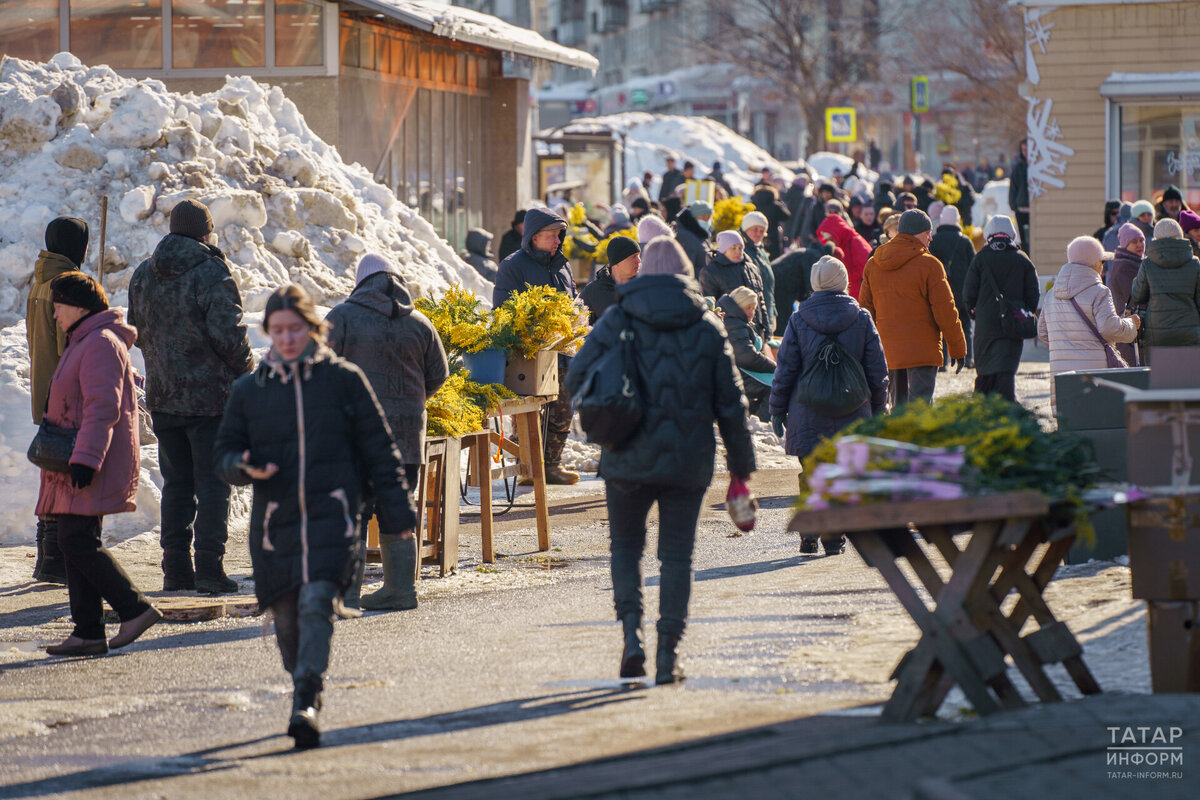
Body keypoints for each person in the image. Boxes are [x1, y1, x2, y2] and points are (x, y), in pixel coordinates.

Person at [215, 284, 416, 749]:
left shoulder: (344, 380)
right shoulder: (250, 390)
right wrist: (242, 466)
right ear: (268, 332)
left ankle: (306, 695)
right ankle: (301, 676)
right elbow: (223, 452)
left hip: (336, 516)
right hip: (276, 525)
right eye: (278, 330)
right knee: (286, 620)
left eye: (296, 329)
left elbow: (380, 450)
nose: (287, 339)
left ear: (313, 328)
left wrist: (397, 511)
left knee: (318, 603)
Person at [565, 236, 755, 685]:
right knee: (676, 558)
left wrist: (605, 410)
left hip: (626, 453)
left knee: (626, 550)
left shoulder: (618, 318)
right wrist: (741, 469)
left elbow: (575, 375)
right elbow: (731, 402)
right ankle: (668, 654)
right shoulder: (706, 326)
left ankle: (632, 640)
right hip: (687, 461)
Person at [128, 199, 254, 594]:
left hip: (164, 397)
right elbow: (229, 333)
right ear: (205, 232)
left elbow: (138, 328)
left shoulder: (143, 273)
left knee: (177, 485)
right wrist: (245, 369)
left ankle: (176, 571)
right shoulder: (211, 270)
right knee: (214, 485)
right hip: (210, 399)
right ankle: (210, 571)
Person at [38, 272, 161, 656]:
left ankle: (134, 609)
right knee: (75, 540)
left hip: (91, 459)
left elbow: (102, 407)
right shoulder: (85, 340)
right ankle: (88, 630)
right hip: (78, 457)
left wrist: (86, 460)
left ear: (78, 306)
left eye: (58, 306)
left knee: (75, 539)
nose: (55, 315)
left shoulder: (100, 343)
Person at [326, 254, 448, 611]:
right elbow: (438, 374)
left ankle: (346, 594)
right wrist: (409, 401)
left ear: (361, 282)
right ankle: (400, 590)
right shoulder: (421, 323)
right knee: (397, 509)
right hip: (407, 437)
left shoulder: (342, 318)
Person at [769, 255, 887, 554]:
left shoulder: (798, 319)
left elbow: (785, 369)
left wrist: (777, 408)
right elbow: (877, 370)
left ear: (815, 283)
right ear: (844, 281)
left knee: (812, 471)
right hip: (853, 410)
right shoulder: (861, 318)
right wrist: (879, 407)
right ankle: (833, 538)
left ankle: (809, 531)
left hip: (806, 410)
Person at [493, 207, 580, 485]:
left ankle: (552, 465)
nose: (558, 240)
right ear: (533, 237)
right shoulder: (512, 266)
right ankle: (527, 467)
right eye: (552, 235)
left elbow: (574, 298)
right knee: (529, 412)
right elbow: (503, 308)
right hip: (529, 353)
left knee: (562, 408)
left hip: (563, 352)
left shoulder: (563, 264)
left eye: (559, 235)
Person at [26, 216, 88, 585]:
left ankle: (48, 557)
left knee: (52, 474)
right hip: (68, 395)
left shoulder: (40, 283)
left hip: (45, 390)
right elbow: (75, 345)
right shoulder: (70, 286)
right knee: (68, 476)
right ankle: (60, 556)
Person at [860, 210, 967, 406]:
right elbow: (946, 312)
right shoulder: (930, 265)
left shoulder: (873, 265)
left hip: (889, 352)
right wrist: (958, 349)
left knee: (897, 410)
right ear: (916, 233)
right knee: (919, 412)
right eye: (928, 233)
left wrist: (866, 352)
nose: (930, 238)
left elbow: (865, 313)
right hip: (923, 353)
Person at [1038, 237, 1139, 413]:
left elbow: (1044, 334)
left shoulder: (1051, 295)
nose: (1102, 267)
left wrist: (1065, 346)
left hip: (1061, 377)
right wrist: (1131, 324)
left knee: (1070, 430)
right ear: (1093, 264)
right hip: (1094, 374)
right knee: (1097, 423)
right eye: (1101, 262)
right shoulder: (1099, 292)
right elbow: (1110, 328)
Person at [963, 216, 1040, 401]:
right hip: (1012, 323)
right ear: (1011, 234)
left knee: (986, 369)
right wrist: (1021, 310)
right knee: (1006, 368)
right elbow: (1033, 294)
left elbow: (968, 293)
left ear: (988, 234)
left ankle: (984, 408)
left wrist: (974, 313)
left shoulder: (980, 258)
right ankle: (1006, 407)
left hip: (985, 323)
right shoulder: (1022, 259)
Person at [1129, 218, 1200, 364]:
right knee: (1189, 380)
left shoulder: (1147, 264)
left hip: (1157, 332)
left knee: (1161, 381)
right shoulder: (1194, 263)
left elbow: (1138, 296)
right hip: (1189, 331)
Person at [716, 286, 776, 418]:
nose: (752, 312)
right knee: (776, 387)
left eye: (754, 308)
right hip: (739, 374)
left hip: (741, 371)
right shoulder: (734, 323)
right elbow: (746, 356)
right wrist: (775, 367)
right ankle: (762, 422)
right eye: (749, 307)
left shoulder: (736, 320)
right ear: (739, 305)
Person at [930, 206, 977, 369]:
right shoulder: (965, 242)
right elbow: (974, 268)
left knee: (941, 327)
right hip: (962, 292)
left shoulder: (934, 241)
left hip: (940, 291)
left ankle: (942, 362)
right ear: (957, 220)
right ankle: (968, 358)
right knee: (964, 326)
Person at [700, 230, 770, 338]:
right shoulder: (711, 271)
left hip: (757, 331)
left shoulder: (752, 268)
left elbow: (761, 299)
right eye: (733, 248)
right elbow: (710, 305)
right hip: (731, 332)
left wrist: (766, 328)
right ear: (723, 250)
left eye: (740, 248)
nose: (738, 251)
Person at [1105, 223, 1146, 366]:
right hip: (1131, 328)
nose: (1140, 244)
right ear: (1125, 245)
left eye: (1141, 240)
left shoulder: (1137, 262)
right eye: (1134, 242)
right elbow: (1135, 296)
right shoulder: (1124, 266)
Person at [769, 243, 830, 336]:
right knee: (782, 320)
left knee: (779, 318)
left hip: (776, 279)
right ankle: (779, 345)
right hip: (783, 285)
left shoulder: (807, 251)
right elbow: (811, 285)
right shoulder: (814, 257)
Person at [815, 207, 872, 300]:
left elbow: (866, 265)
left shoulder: (855, 241)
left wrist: (843, 275)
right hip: (848, 288)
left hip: (858, 290)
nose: (824, 237)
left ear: (835, 231)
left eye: (826, 233)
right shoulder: (841, 243)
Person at [581, 236, 640, 323]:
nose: (639, 261)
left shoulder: (643, 287)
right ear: (617, 262)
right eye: (633, 256)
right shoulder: (593, 291)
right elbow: (580, 328)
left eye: (639, 256)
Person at [740, 211, 777, 334]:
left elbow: (769, 286)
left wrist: (773, 313)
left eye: (762, 231)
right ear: (746, 229)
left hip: (767, 313)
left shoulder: (761, 252)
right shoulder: (742, 252)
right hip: (753, 316)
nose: (758, 234)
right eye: (754, 229)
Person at [750, 184, 791, 259]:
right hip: (773, 236)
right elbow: (786, 216)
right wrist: (779, 203)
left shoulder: (752, 205)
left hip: (754, 235)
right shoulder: (775, 205)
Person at [673, 201, 712, 275]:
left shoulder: (699, 233)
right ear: (694, 216)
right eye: (704, 217)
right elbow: (686, 268)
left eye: (709, 217)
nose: (707, 221)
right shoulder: (684, 236)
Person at [1009, 141, 1030, 252]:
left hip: (1034, 210)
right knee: (1024, 240)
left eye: (1028, 149)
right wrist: (1014, 206)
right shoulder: (1018, 168)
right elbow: (1013, 188)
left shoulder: (1038, 167)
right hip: (1021, 210)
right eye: (1024, 150)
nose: (1026, 152)